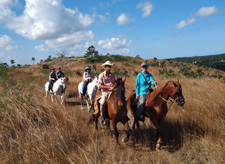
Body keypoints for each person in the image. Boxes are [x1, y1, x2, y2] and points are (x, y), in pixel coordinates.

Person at [98, 61, 115, 125]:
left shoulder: (113, 75)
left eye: (110, 67)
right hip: (105, 92)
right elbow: (99, 85)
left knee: (124, 99)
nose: (109, 68)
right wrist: (108, 87)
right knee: (102, 103)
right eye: (108, 67)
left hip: (113, 91)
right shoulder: (101, 75)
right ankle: (103, 117)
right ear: (105, 67)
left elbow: (114, 83)